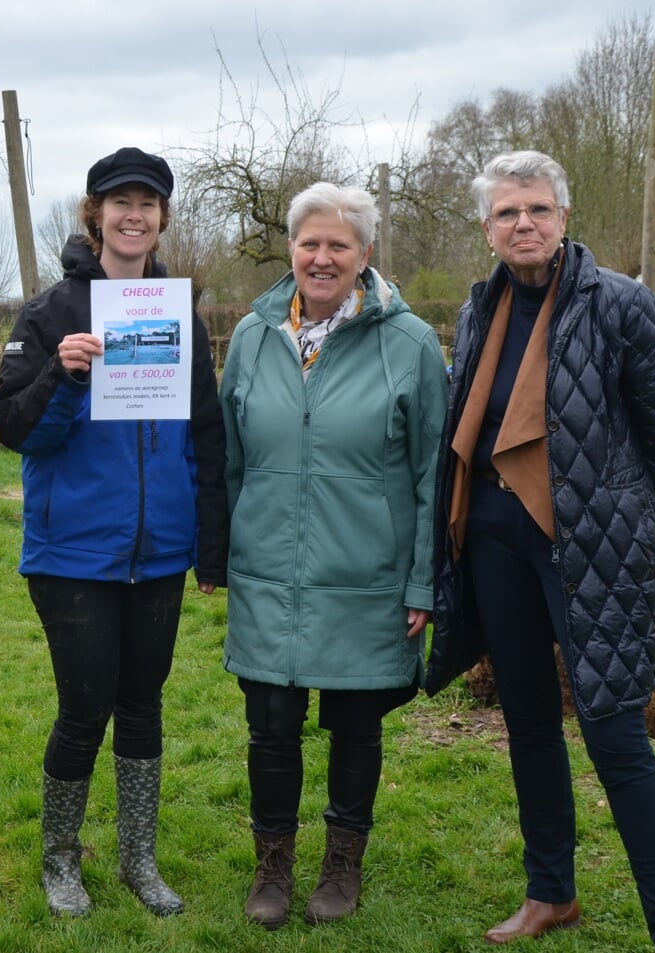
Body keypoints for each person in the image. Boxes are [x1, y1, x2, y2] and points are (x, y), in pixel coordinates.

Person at [425, 150, 655, 953]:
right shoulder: (480, 308)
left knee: (616, 740)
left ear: (562, 217)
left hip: (589, 550)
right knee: (527, 722)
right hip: (491, 537)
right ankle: (551, 891)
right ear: (487, 227)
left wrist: (615, 514)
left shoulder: (622, 305)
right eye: (508, 212)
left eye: (537, 209)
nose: (524, 224)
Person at [0, 147, 228, 919]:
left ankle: (137, 857)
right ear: (94, 212)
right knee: (84, 705)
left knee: (144, 703)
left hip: (157, 552)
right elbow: (16, 431)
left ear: (160, 219)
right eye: (119, 201)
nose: (133, 215)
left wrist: (208, 543)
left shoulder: (176, 314)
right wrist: (65, 374)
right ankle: (61, 857)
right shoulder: (51, 311)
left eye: (148, 203)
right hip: (73, 554)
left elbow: (205, 432)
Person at [218, 182, 447, 931]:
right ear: (291, 249)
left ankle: (341, 866)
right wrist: (225, 554)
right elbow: (229, 458)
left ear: (365, 255)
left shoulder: (408, 342)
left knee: (355, 722)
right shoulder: (253, 336)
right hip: (270, 572)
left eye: (337, 246)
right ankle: (272, 866)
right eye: (309, 243)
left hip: (366, 574)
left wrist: (422, 579)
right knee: (272, 723)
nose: (321, 258)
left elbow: (429, 476)